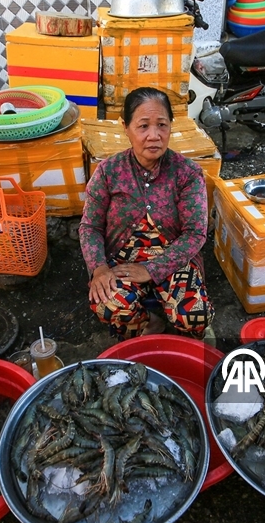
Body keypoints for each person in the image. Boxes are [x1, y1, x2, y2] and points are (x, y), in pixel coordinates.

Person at [79, 87, 213, 341]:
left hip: (174, 258)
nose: (154, 135)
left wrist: (152, 269)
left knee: (194, 315)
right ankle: (149, 325)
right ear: (126, 128)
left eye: (162, 125)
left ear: (171, 126)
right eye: (143, 126)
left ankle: (184, 337)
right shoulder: (109, 171)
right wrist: (99, 268)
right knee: (110, 306)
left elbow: (195, 233)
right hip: (122, 261)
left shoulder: (187, 173)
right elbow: (90, 227)